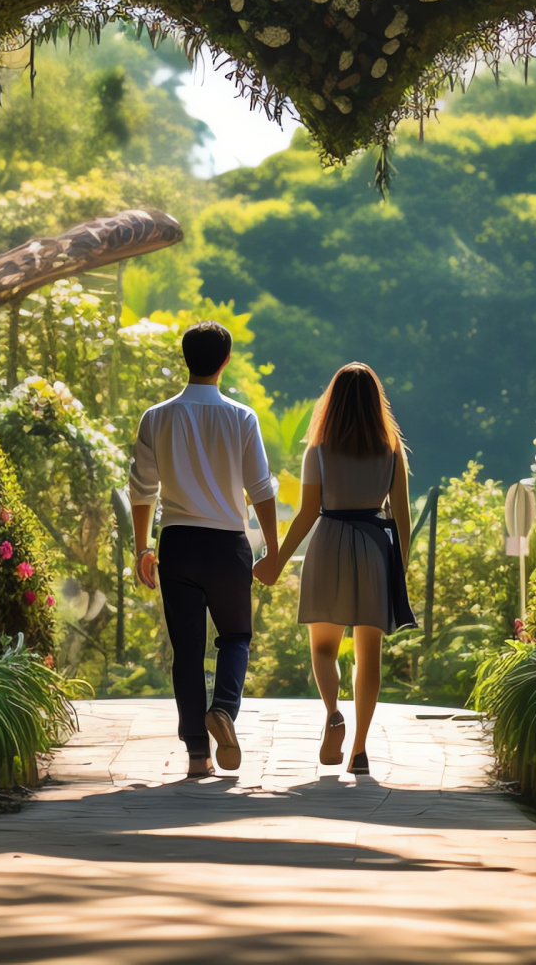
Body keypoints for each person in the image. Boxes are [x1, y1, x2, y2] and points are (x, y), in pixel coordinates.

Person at [128, 321, 278, 778]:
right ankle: (224, 711)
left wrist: (142, 549)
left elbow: (141, 490)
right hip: (227, 544)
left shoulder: (157, 416)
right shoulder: (241, 417)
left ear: (185, 357)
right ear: (226, 360)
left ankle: (198, 755)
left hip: (177, 542)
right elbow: (261, 490)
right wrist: (272, 549)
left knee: (187, 650)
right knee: (235, 637)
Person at [253, 362, 414, 775]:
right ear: (376, 403)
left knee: (324, 648)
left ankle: (332, 713)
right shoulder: (391, 450)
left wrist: (276, 560)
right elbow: (402, 516)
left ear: (332, 402)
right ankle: (359, 750)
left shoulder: (318, 450)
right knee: (369, 656)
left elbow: (307, 514)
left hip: (328, 544)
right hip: (375, 548)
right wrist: (400, 567)